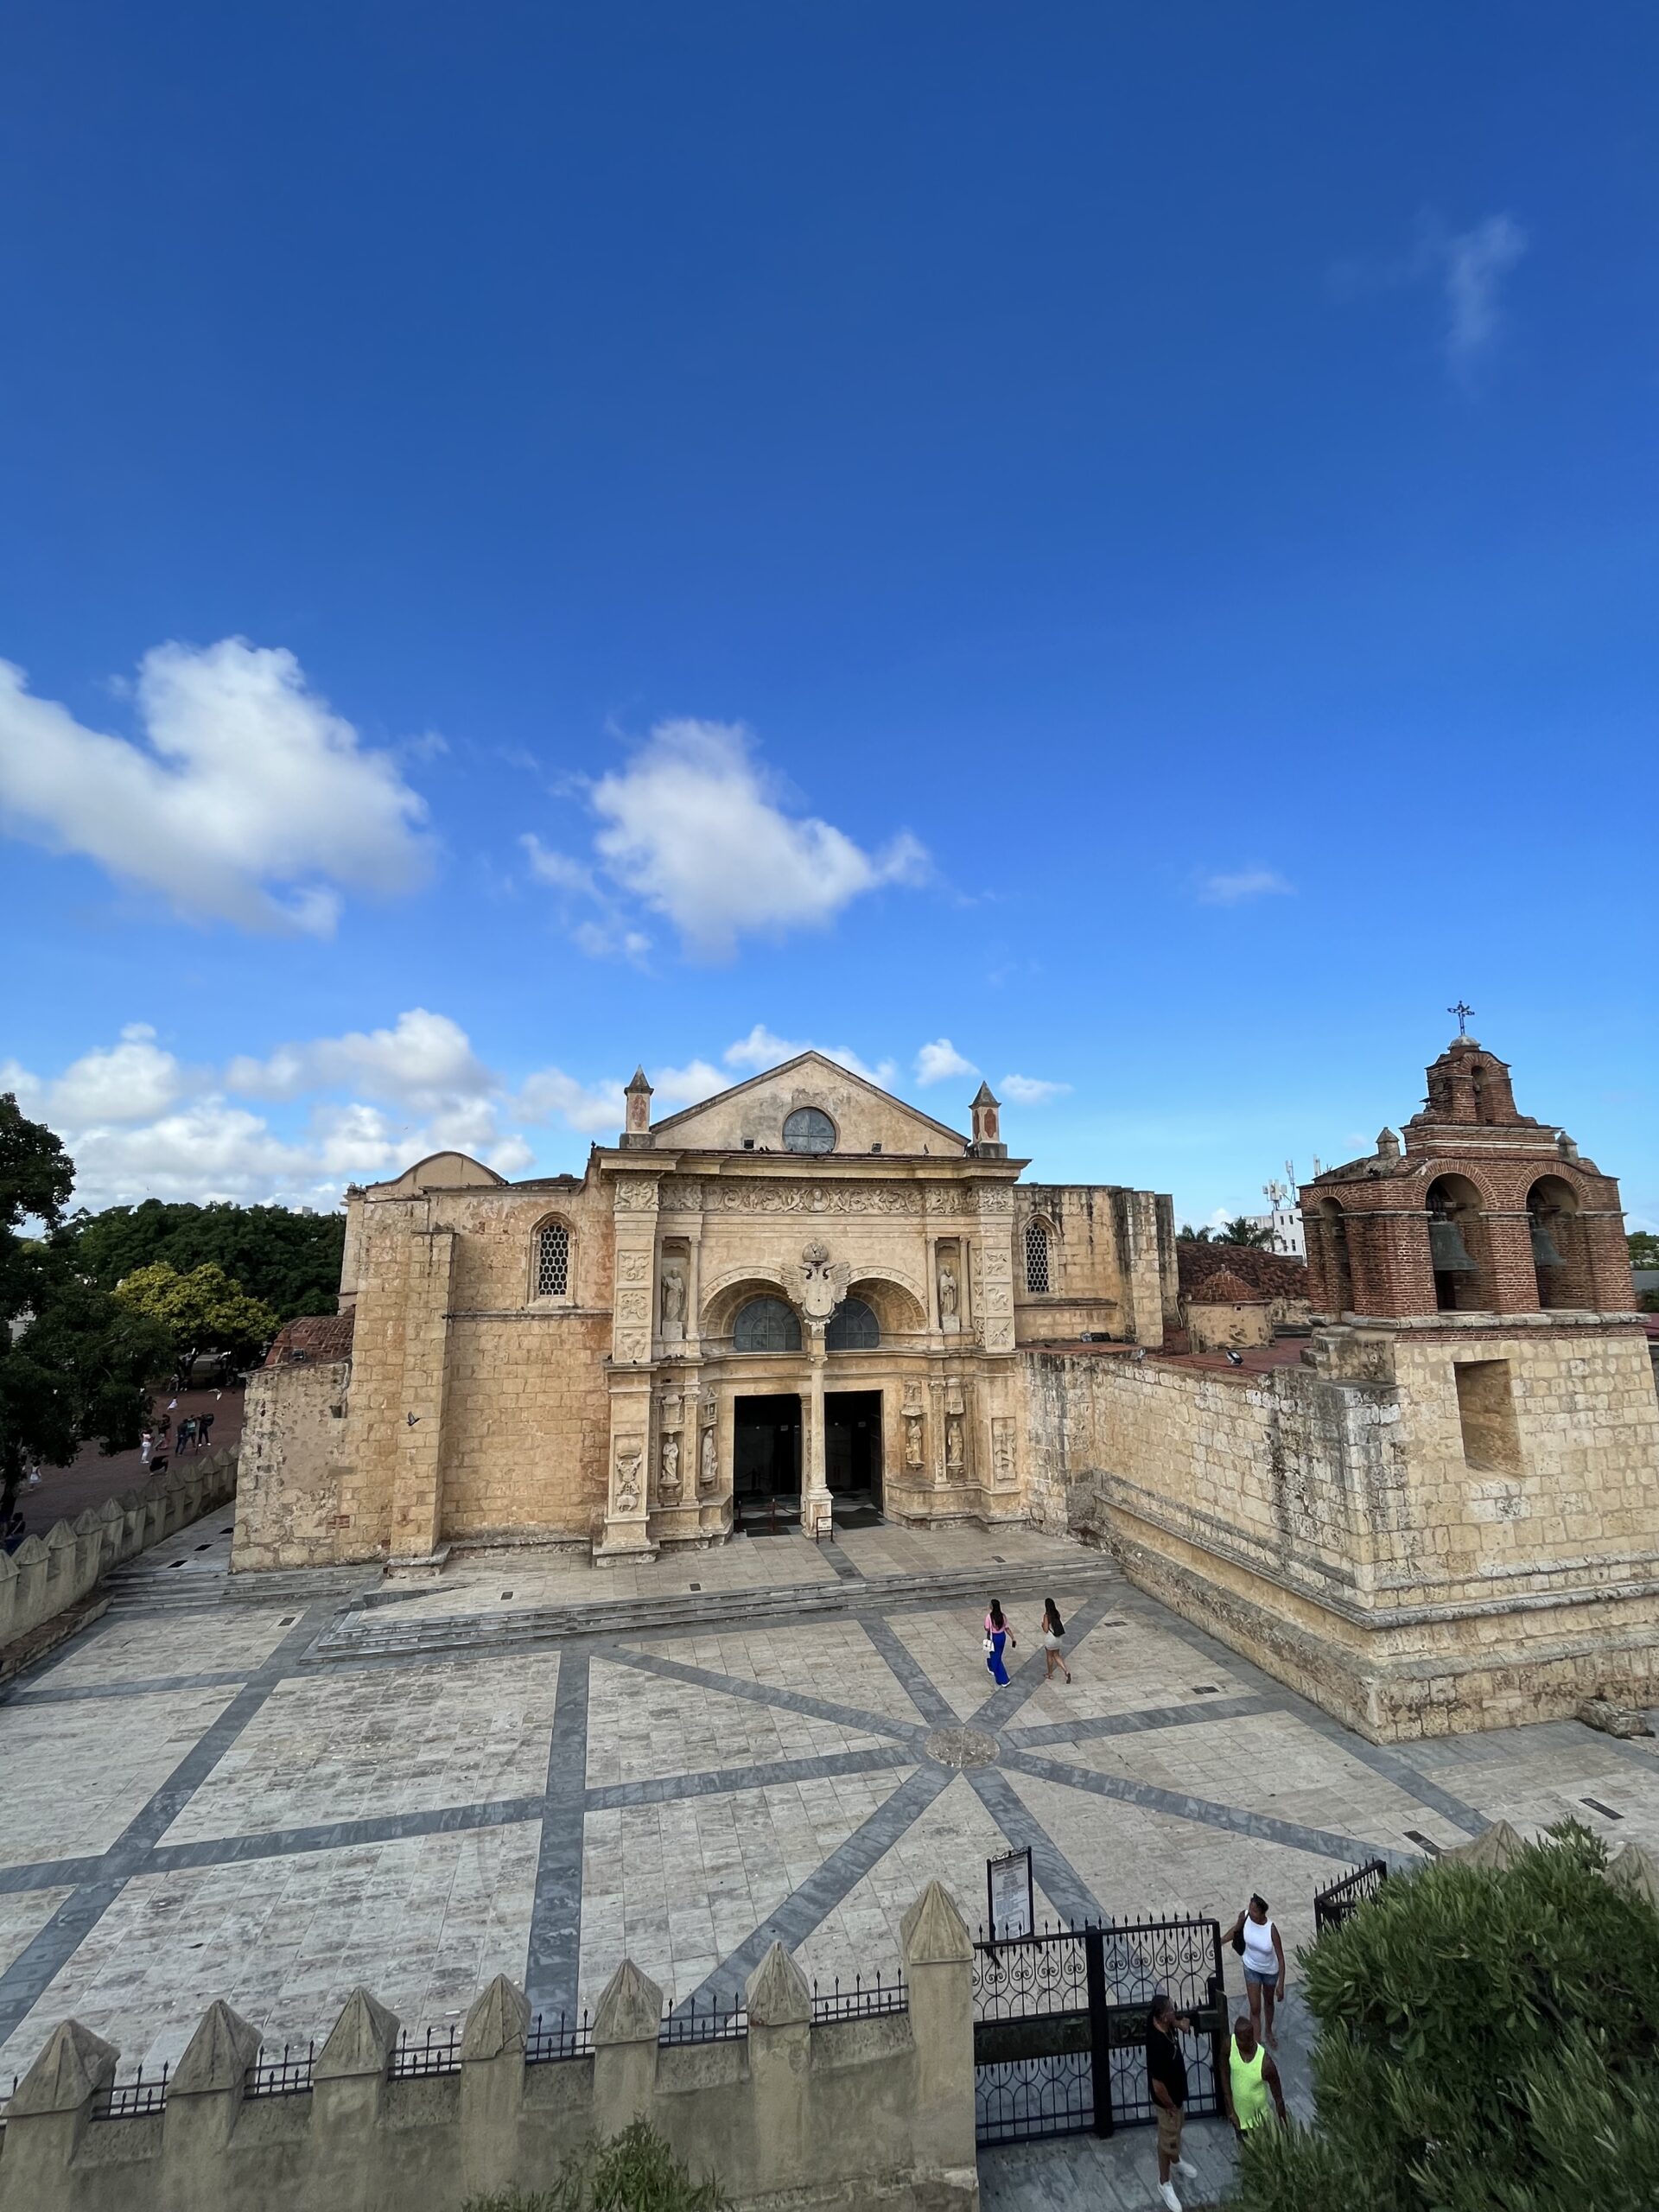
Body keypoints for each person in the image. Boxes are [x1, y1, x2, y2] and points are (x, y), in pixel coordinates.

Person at [1146, 1993, 1201, 2211]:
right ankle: (1164, 2182)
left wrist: (1179, 2024)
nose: (1173, 2011)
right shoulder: (1157, 2044)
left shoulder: (1160, 2022)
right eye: (1170, 2010)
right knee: (1166, 2139)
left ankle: (1176, 2160)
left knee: (1177, 2128)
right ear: (1161, 2017)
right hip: (1166, 2101)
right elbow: (1158, 2085)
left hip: (1177, 2093)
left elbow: (1175, 2021)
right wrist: (1169, 2105)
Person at [1224, 1894, 1287, 2047]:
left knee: (1269, 2002)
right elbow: (1235, 1930)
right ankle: (1257, 2041)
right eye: (1250, 1908)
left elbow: (1281, 1958)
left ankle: (1269, 2031)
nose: (1251, 1912)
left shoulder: (1271, 1929)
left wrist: (1281, 1985)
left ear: (1262, 1913)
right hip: (1251, 1967)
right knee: (1255, 2007)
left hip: (1270, 1972)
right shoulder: (1244, 1917)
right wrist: (1221, 1940)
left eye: (1254, 1911)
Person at [1224, 2012, 1287, 2139]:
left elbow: (1279, 2099)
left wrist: (1285, 2131)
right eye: (1237, 2039)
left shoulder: (1266, 2064)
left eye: (1241, 2041)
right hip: (1239, 2121)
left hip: (1260, 2125)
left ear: (1250, 2040)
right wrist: (1231, 2110)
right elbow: (1223, 2071)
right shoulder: (1230, 2044)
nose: (1238, 2043)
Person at [983, 1599, 1016, 1686]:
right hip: (1002, 1636)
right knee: (997, 1655)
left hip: (994, 1637)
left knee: (995, 1658)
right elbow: (1007, 1628)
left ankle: (1004, 1679)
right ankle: (992, 1668)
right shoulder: (1003, 1616)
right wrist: (1012, 1637)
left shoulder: (989, 1617)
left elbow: (987, 1628)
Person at [1040, 1596, 1071, 1684]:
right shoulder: (1057, 1613)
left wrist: (1042, 1625)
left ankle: (1050, 1674)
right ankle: (1066, 1671)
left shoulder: (1046, 1616)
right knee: (1057, 1655)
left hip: (1050, 1638)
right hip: (1058, 1638)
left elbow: (1046, 1629)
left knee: (1049, 1656)